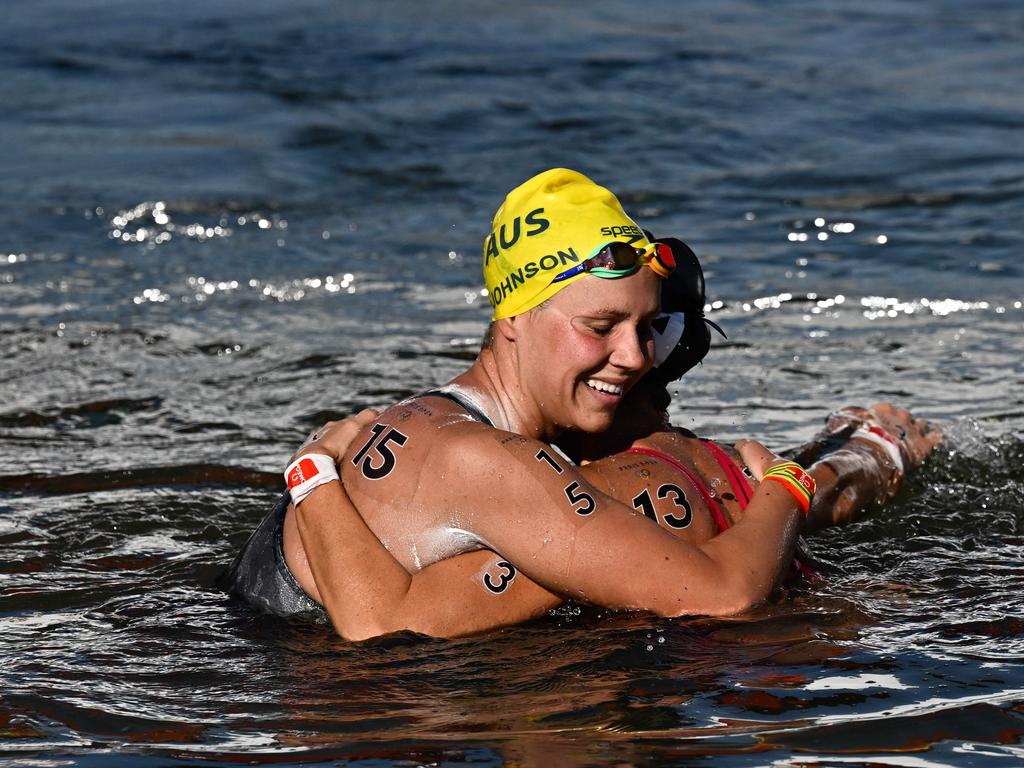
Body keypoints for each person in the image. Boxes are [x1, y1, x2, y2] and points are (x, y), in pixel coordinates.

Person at [220, 168, 939, 638]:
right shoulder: (492, 463)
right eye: (600, 328)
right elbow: (720, 594)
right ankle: (875, 443)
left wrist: (311, 475)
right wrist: (787, 481)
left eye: (646, 329)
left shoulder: (421, 421)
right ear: (512, 317)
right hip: (334, 708)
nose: (632, 356)